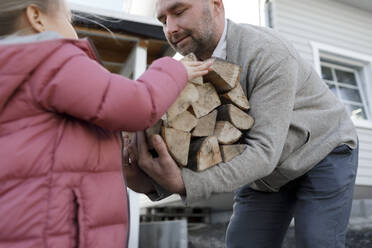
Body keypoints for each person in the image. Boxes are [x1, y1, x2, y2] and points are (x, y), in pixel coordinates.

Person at [124, 0, 359, 247]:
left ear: (216, 4)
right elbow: (200, 149)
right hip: (266, 171)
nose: (170, 28)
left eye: (179, 12)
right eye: (163, 21)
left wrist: (185, 184)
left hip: (323, 151)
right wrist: (151, 183)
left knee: (316, 240)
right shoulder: (183, 74)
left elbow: (263, 151)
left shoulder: (267, 51)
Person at [0, 0, 213, 247]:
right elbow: (138, 105)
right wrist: (176, 70)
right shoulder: (52, 59)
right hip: (62, 229)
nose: (73, 29)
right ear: (37, 17)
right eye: (68, 19)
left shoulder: (14, 72)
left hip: (22, 223)